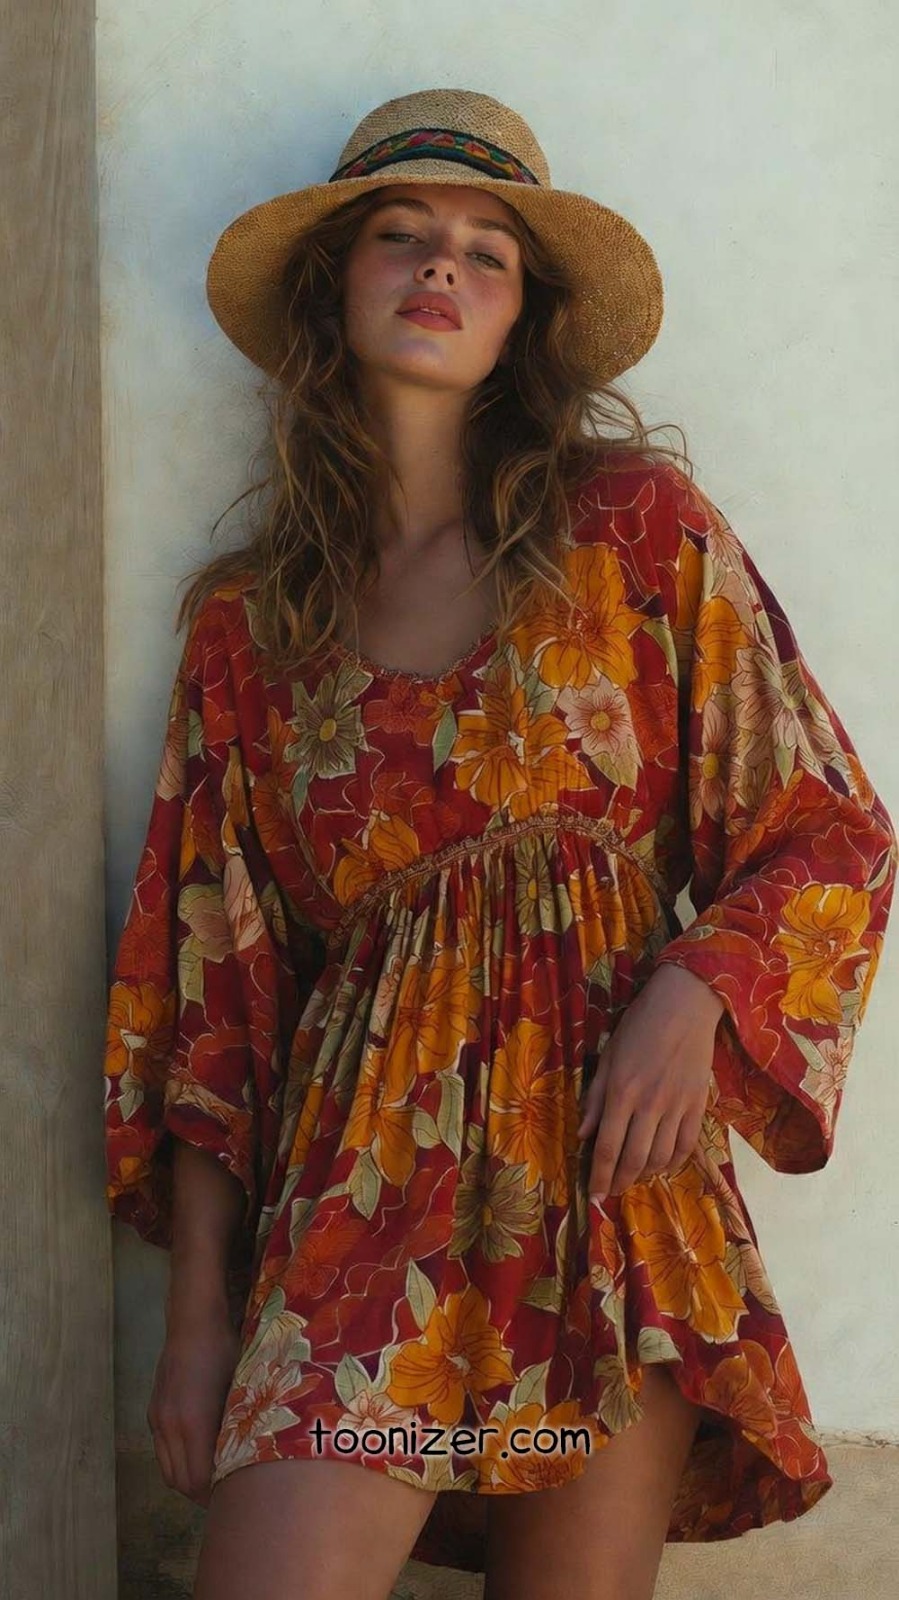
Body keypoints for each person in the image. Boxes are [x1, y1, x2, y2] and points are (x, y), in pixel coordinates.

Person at [102, 88, 897, 1600]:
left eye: (488, 252)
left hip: (609, 1181)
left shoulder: (637, 531)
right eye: (402, 237)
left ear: (524, 315)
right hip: (358, 1195)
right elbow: (208, 998)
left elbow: (826, 826)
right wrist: (199, 1324)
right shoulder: (251, 626)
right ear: (338, 286)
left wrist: (697, 992)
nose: (443, 269)